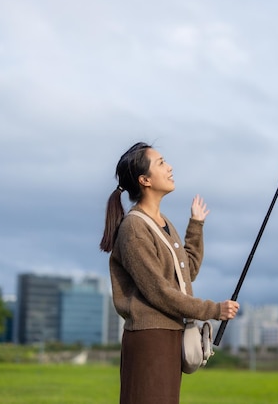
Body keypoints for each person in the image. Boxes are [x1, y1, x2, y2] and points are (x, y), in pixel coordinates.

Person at [100, 142, 239, 404]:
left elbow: (187, 274)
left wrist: (196, 226)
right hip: (149, 338)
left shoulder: (164, 224)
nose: (170, 167)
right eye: (161, 163)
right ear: (145, 180)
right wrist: (213, 310)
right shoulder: (134, 228)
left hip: (169, 336)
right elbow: (159, 291)